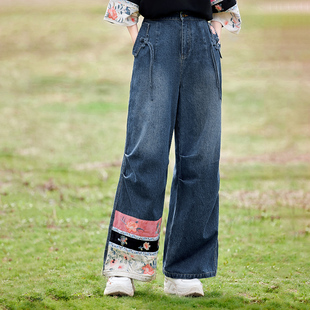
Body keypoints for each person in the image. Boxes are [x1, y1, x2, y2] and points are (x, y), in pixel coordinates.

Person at [102, 0, 241, 297]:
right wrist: (136, 35)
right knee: (146, 153)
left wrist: (215, 29)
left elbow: (223, 2)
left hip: (202, 41)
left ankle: (185, 270)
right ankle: (125, 265)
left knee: (201, 158)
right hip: (156, 35)